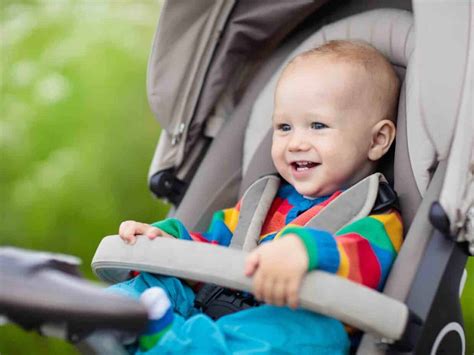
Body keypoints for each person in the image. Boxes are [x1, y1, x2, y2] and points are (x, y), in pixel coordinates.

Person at [110, 40, 403, 354]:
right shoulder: (260, 202)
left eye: (317, 125)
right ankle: (123, 319)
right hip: (211, 309)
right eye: (284, 127)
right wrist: (167, 241)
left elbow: (363, 265)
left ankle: (161, 339)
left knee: (309, 333)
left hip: (285, 323)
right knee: (154, 284)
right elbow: (213, 248)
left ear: (378, 140)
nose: (296, 143)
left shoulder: (376, 219)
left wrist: (307, 252)